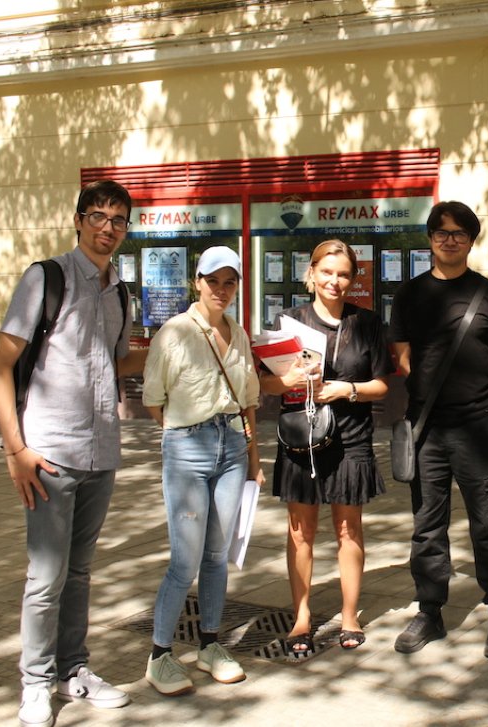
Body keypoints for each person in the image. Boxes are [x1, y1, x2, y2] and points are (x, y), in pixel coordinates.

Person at [0, 179, 139, 727]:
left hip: (101, 452)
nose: (108, 228)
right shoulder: (45, 278)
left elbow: (113, 363)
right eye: (98, 216)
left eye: (119, 220)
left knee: (79, 573)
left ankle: (73, 670)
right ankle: (34, 683)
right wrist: (16, 450)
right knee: (46, 576)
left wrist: (166, 351)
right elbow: (1, 365)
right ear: (78, 220)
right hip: (48, 454)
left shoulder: (120, 291)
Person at [389, 200, 488, 659]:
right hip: (427, 431)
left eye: (459, 233)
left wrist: (475, 391)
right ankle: (430, 611)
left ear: (470, 240)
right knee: (427, 527)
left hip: (478, 428)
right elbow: (403, 357)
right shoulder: (409, 295)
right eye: (442, 232)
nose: (449, 239)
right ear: (430, 239)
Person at [142, 245, 266, 696]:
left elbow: (249, 398)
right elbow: (154, 401)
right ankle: (159, 655)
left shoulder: (239, 333)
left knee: (217, 554)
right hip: (188, 447)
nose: (221, 289)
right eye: (213, 280)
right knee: (185, 559)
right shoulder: (174, 332)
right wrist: (183, 439)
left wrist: (253, 460)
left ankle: (210, 644)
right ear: (197, 281)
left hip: (233, 446)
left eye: (230, 281)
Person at [260, 240, 391, 654]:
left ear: (352, 279)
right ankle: (301, 617)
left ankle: (349, 615)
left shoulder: (367, 323)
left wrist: (345, 389)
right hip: (303, 438)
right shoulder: (288, 322)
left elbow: (382, 384)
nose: (335, 281)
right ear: (311, 272)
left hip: (351, 436)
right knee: (301, 531)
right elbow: (263, 384)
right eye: (327, 272)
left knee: (348, 528)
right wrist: (290, 382)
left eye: (344, 274)